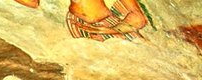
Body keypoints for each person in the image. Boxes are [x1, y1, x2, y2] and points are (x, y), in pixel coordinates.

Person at [13, 0, 148, 41]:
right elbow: (32, 3)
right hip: (83, 24)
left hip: (106, 24)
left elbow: (139, 18)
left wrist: (115, 29)